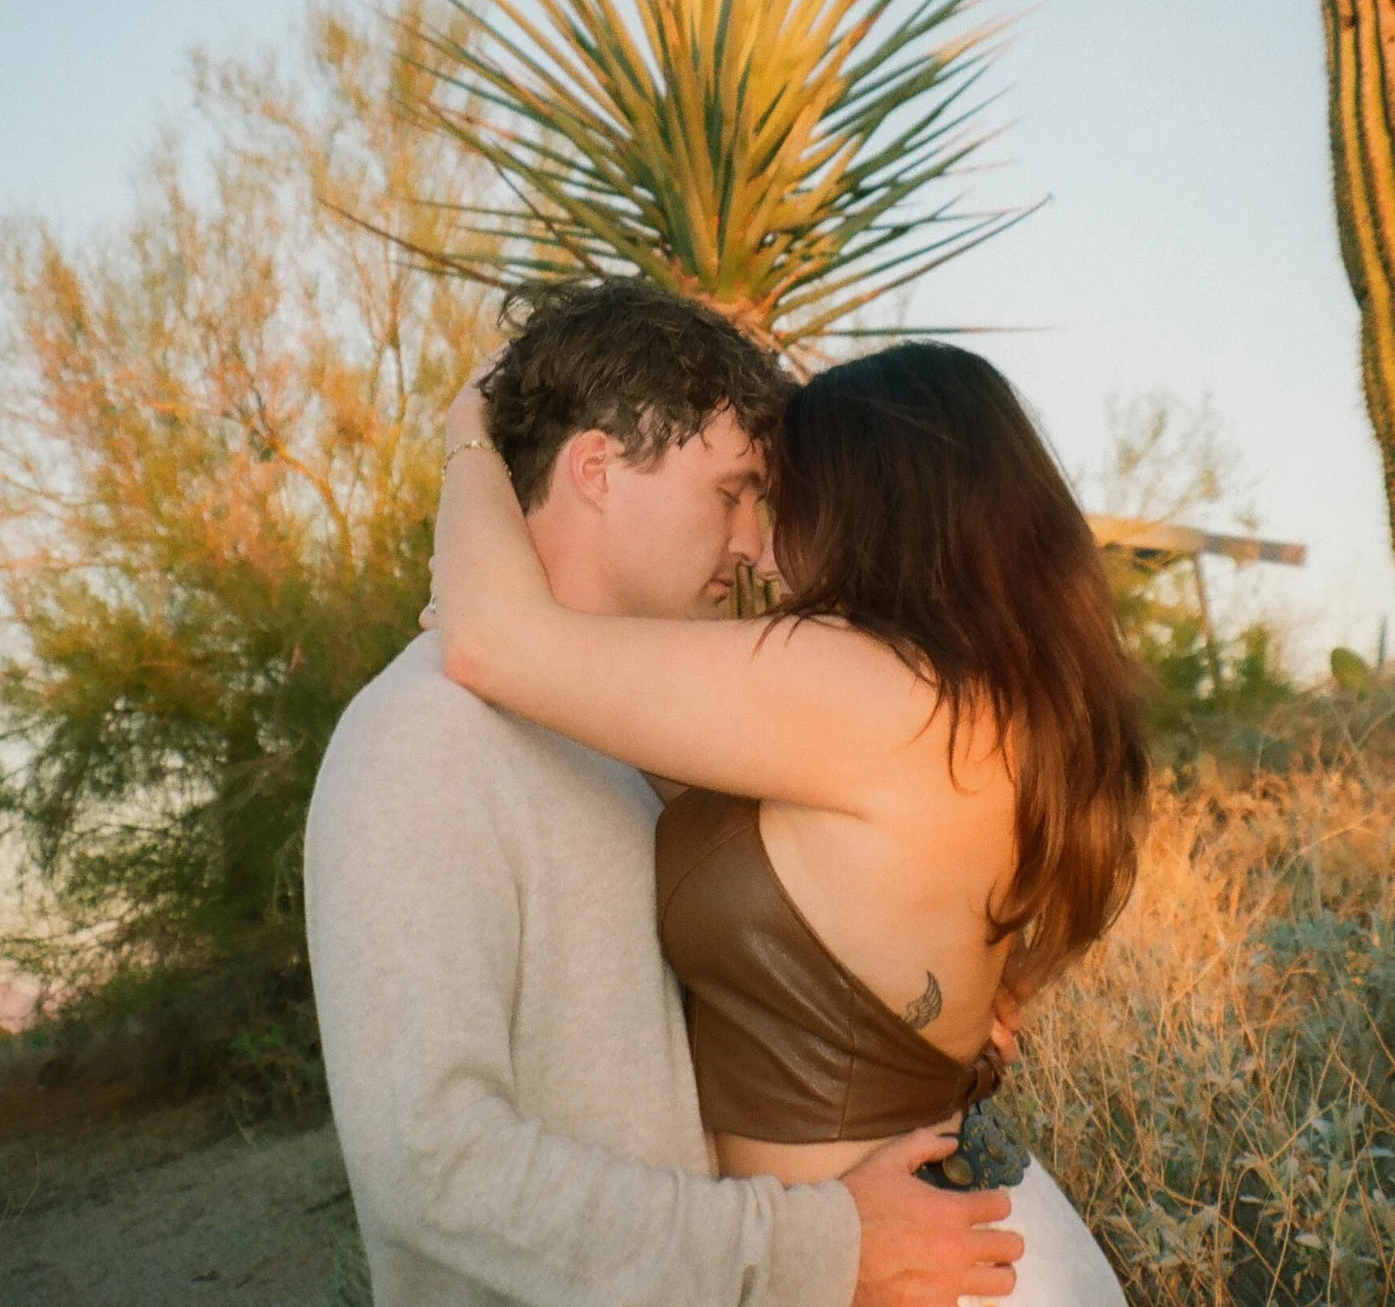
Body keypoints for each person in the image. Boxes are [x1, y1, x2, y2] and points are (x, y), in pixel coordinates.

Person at [304, 280, 1025, 1307]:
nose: (752, 544)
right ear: (595, 468)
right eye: (730, 491)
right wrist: (810, 1247)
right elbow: (433, 1171)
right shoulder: (418, 739)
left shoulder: (637, 745)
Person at [432, 316, 1147, 1304]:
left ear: (873, 503)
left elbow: (488, 643)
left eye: (781, 500)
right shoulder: (963, 703)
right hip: (966, 1242)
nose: (763, 548)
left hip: (919, 1272)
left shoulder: (865, 689)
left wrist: (470, 423)